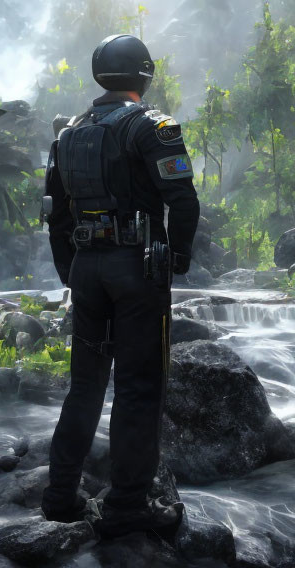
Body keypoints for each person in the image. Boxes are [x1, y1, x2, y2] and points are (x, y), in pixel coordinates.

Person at [40, 34, 200, 537]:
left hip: (87, 269)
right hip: (137, 269)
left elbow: (55, 216)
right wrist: (176, 258)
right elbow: (183, 200)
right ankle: (127, 506)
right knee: (137, 387)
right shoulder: (154, 126)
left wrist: (71, 271)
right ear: (144, 74)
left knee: (85, 386)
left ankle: (60, 494)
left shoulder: (67, 134)